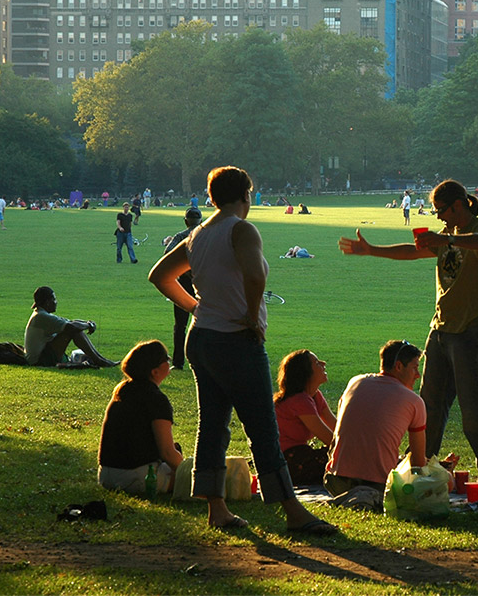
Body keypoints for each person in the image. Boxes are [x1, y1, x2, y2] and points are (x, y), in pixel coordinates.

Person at [148, 166, 337, 535]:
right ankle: (293, 512)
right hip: (234, 339)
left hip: (200, 337)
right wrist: (251, 316)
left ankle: (216, 509)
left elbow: (160, 276)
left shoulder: (197, 234)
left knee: (213, 425)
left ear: (212, 196)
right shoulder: (241, 228)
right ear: (246, 195)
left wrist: (194, 307)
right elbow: (255, 275)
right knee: (262, 426)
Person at [338, 179, 478, 470]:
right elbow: (412, 251)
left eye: (441, 210)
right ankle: (421, 467)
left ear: (459, 206)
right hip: (440, 329)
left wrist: (446, 241)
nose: (437, 216)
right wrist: (371, 250)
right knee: (429, 405)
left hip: (470, 330)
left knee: (475, 409)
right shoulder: (448, 233)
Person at [324, 340, 427, 496]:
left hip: (335, 482)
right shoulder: (414, 401)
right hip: (379, 486)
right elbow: (418, 465)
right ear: (399, 366)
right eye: (415, 368)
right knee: (446, 480)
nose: (418, 375)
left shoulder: (355, 382)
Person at [97, 340, 183, 495]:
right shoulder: (156, 399)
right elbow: (167, 453)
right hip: (136, 477)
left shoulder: (122, 391)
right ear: (154, 371)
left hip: (106, 475)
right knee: (200, 478)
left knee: (177, 451)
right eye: (166, 360)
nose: (169, 362)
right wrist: (188, 473)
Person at [274, 350, 337, 486]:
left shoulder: (314, 395)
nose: (323, 363)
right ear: (306, 373)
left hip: (301, 454)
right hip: (287, 461)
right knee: (344, 459)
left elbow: (337, 428)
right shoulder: (300, 400)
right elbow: (330, 439)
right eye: (316, 362)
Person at [24, 286, 117, 367]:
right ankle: (99, 360)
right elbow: (70, 327)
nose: (56, 302)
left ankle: (100, 359)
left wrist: (87, 323)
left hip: (41, 357)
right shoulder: (41, 316)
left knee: (75, 328)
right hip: (39, 361)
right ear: (47, 302)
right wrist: (88, 325)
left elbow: (70, 322)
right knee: (74, 331)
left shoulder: (41, 314)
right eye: (54, 299)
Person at [162, 206, 203, 369]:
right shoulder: (206, 235)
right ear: (201, 220)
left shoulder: (180, 236)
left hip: (183, 285)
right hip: (204, 283)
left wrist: (184, 270)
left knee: (180, 325)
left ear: (186, 221)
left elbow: (167, 254)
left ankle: (178, 362)